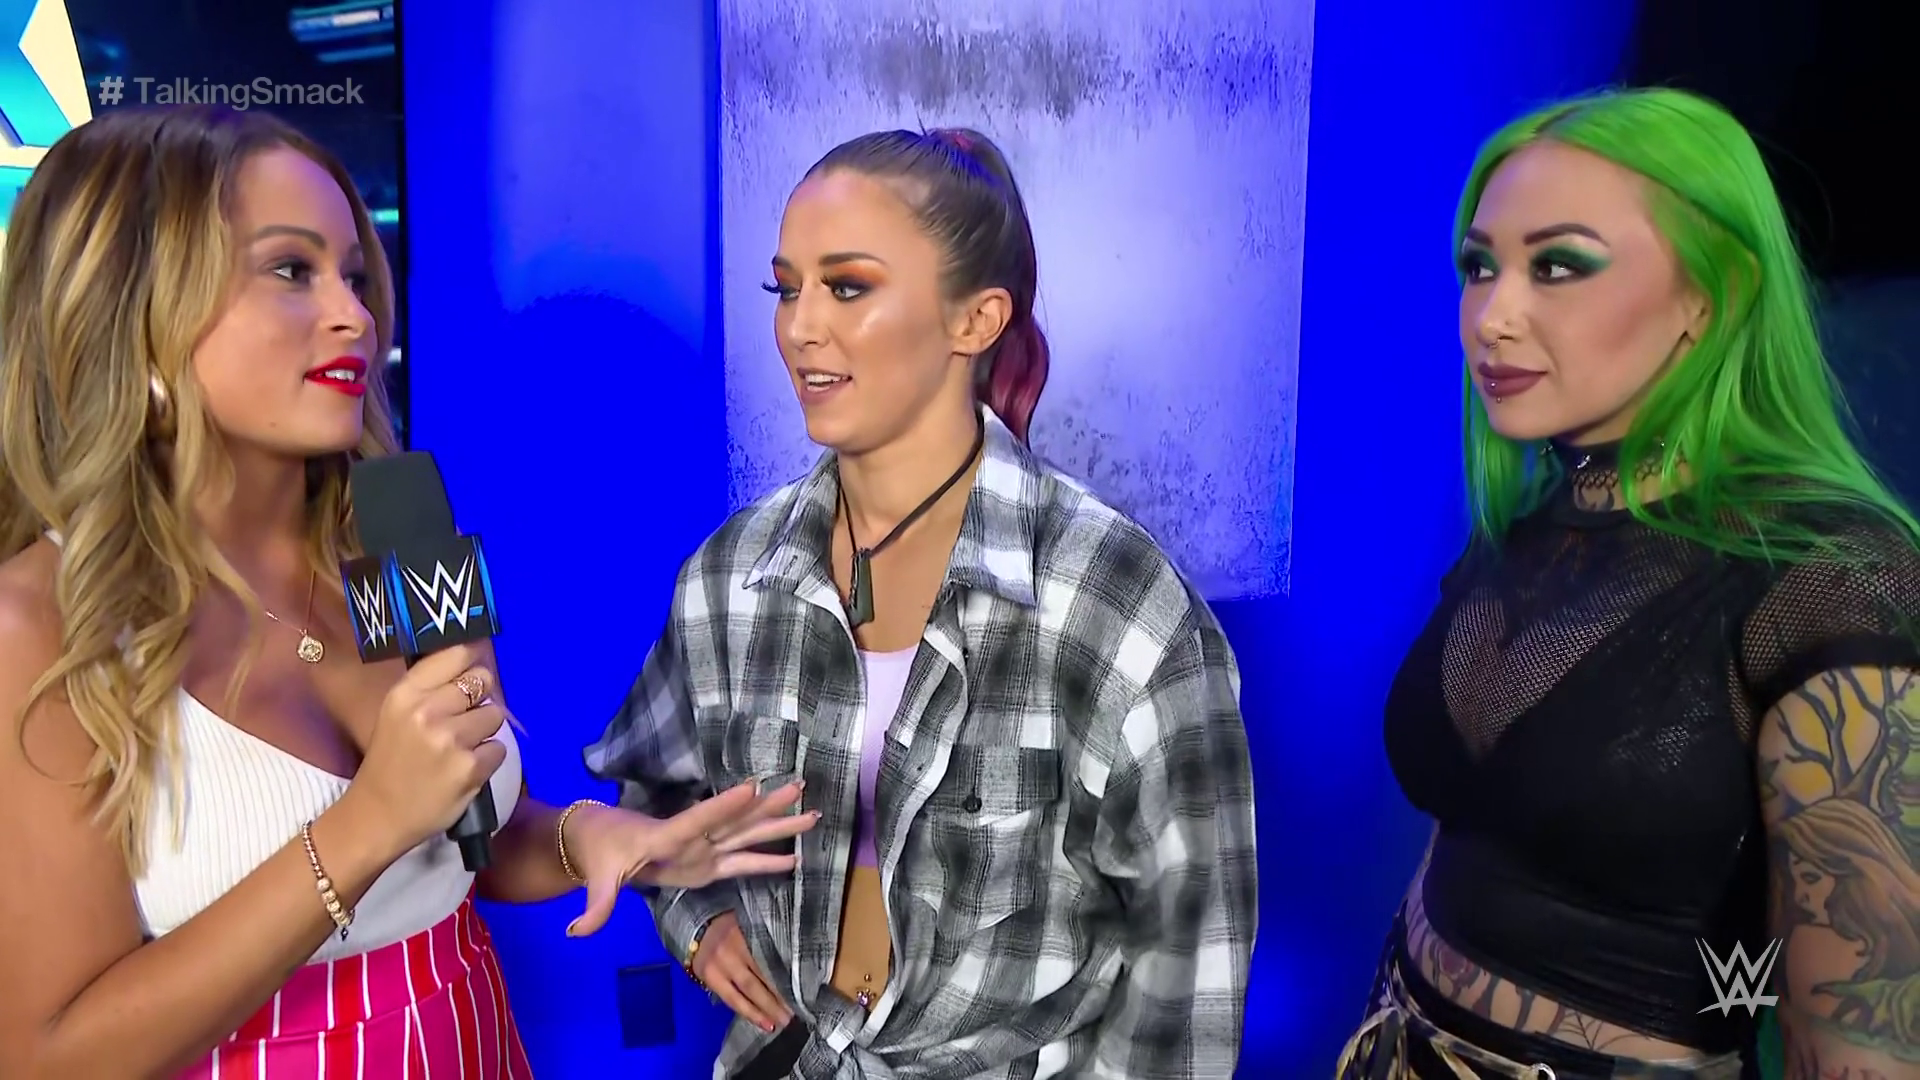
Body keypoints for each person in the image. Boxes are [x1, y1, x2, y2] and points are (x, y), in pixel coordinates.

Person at [0, 105, 816, 1078]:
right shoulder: (40, 624)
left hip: (470, 1038)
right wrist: (364, 825)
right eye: (291, 271)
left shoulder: (401, 530)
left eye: (354, 274)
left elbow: (472, 836)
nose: (354, 316)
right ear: (132, 313)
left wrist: (591, 836)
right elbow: (48, 1056)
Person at [586, 127, 1259, 1079]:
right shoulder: (730, 577)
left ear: (975, 320)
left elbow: (1188, 965)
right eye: (786, 288)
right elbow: (652, 791)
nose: (798, 328)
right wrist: (700, 922)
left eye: (846, 287)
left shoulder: (1116, 602)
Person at [1338, 87, 1920, 1079]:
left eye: (1558, 265)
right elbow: (1485, 827)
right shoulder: (1529, 526)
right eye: (1479, 266)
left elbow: (1853, 1031)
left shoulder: (1828, 579)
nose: (1492, 316)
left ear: (1712, 295)